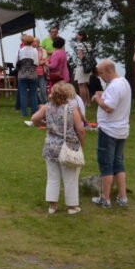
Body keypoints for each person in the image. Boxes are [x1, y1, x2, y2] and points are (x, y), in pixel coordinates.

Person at [31, 82, 86, 215]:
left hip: (51, 146)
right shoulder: (72, 108)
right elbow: (80, 129)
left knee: (52, 177)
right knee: (70, 177)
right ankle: (72, 207)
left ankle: (52, 206)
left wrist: (46, 124)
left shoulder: (47, 107)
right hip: (68, 146)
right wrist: (82, 144)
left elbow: (34, 119)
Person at [91, 60, 132, 208]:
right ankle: (122, 197)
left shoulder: (114, 86)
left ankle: (105, 199)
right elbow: (115, 100)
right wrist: (104, 95)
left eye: (101, 73)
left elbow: (109, 108)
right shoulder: (124, 83)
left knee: (106, 164)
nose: (100, 77)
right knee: (118, 164)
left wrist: (97, 99)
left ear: (108, 70)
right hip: (121, 129)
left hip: (109, 130)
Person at [16, 35, 39, 117]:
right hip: (32, 74)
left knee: (23, 94)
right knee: (33, 94)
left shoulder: (20, 51)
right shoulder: (35, 50)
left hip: (22, 74)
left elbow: (16, 62)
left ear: (24, 42)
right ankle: (34, 111)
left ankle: (24, 113)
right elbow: (36, 63)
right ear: (32, 41)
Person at [73, 31, 93, 107]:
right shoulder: (88, 44)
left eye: (77, 35)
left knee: (81, 85)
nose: (76, 36)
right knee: (85, 85)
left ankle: (83, 103)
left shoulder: (80, 45)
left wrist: (79, 56)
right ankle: (88, 102)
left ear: (81, 36)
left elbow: (80, 56)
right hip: (88, 66)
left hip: (81, 66)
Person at [32, 38, 48, 106]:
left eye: (36, 42)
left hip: (42, 73)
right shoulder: (31, 51)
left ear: (39, 43)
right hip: (33, 73)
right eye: (33, 42)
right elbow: (31, 62)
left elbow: (45, 61)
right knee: (34, 90)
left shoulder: (43, 50)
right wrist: (39, 62)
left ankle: (46, 104)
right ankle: (37, 104)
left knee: (43, 90)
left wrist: (37, 62)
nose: (34, 43)